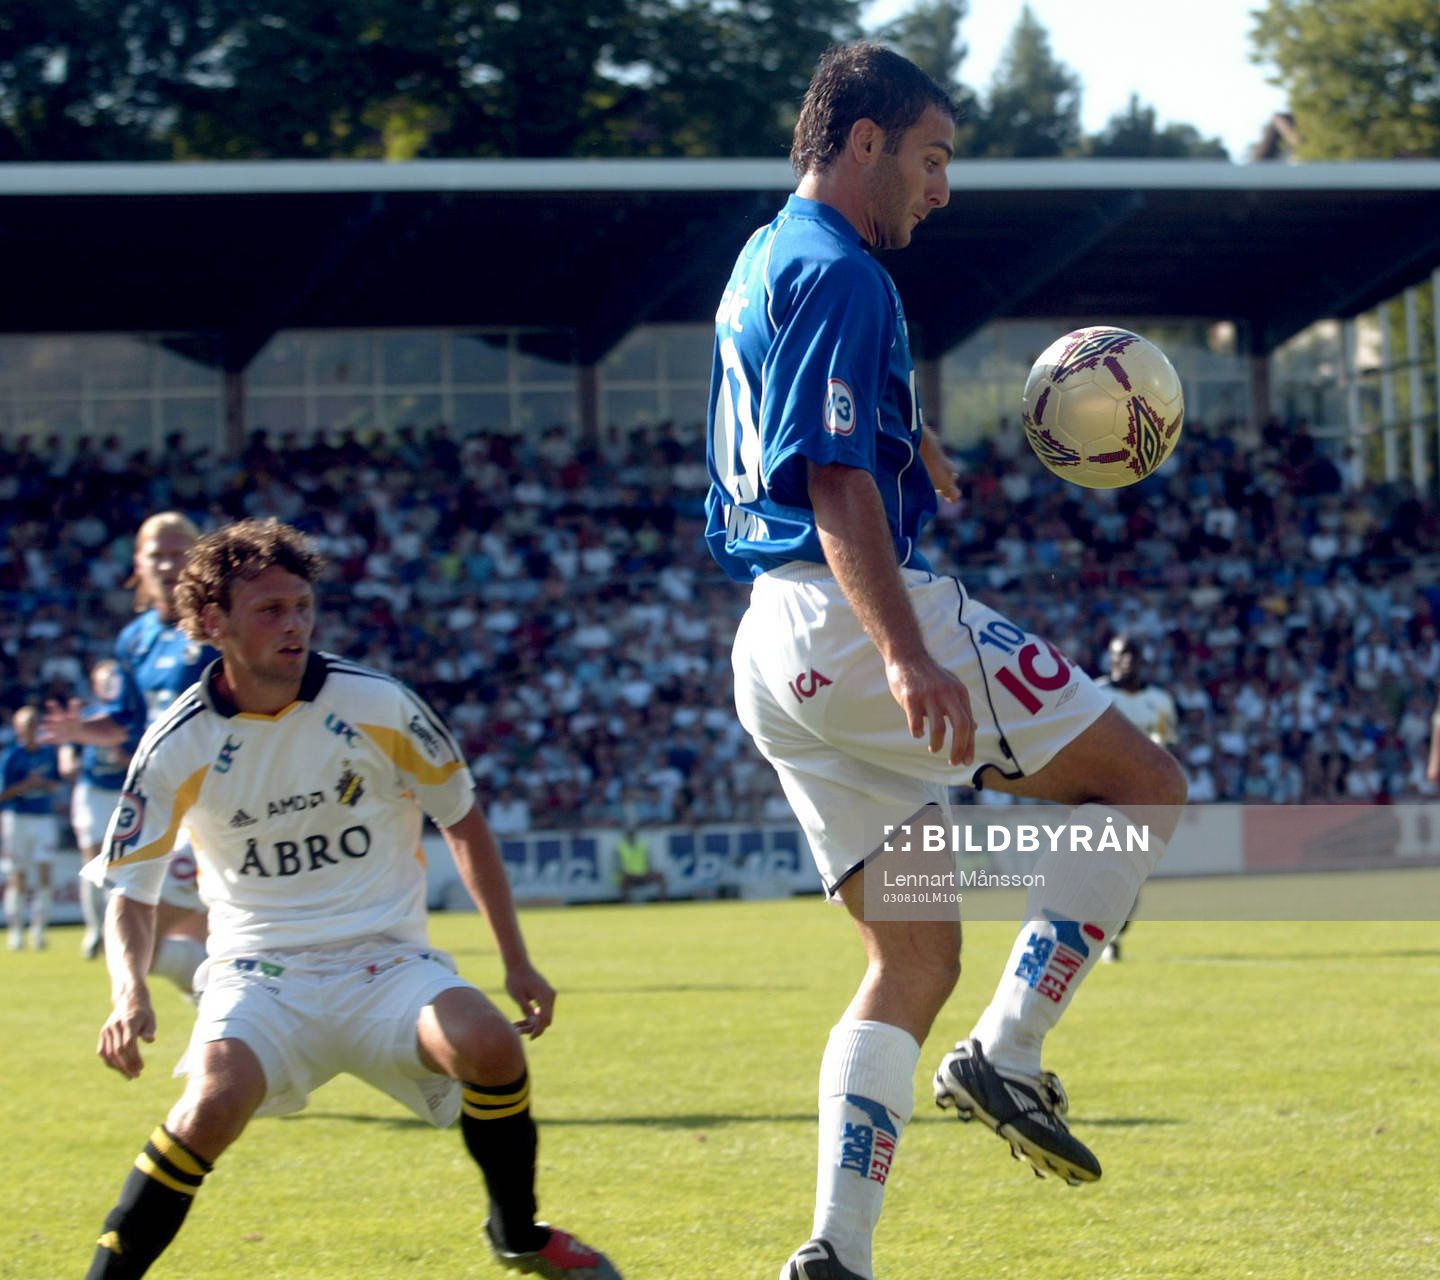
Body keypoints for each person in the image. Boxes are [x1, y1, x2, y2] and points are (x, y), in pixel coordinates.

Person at [703, 44, 1187, 1280]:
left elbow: (812, 417)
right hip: (852, 619)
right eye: (933, 156)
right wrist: (908, 649)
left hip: (769, 647)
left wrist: (908, 430)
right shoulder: (847, 273)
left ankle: (836, 1252)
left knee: (913, 955)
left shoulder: (769, 256)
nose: (943, 186)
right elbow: (829, 476)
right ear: (862, 141)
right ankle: (1008, 1055)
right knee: (1143, 786)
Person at [81, 517, 620, 1280]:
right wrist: (127, 991)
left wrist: (517, 962)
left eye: (302, 605)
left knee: (491, 1046)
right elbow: (130, 887)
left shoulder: (379, 704)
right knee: (210, 1105)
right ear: (211, 624)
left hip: (388, 966)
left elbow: (461, 819)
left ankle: (518, 1233)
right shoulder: (177, 743)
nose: (294, 624)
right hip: (260, 973)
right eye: (270, 610)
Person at [44, 512, 216, 992]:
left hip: (222, 804)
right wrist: (81, 729)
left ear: (199, 559)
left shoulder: (220, 626)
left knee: (144, 939)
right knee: (141, 942)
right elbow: (125, 722)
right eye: (156, 554)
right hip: (167, 807)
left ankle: (238, 1027)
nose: (167, 564)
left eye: (178, 551)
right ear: (137, 565)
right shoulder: (135, 639)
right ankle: (233, 1023)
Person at [1094, 634, 1180, 960]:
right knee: (1102, 870)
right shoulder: (1096, 693)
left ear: (1143, 659)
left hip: (1141, 801)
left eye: (1133, 654)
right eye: (1120, 654)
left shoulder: (1159, 701)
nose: (1126, 660)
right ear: (1111, 659)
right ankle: (1094, 934)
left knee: (1129, 878)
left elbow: (1167, 747)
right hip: (1100, 796)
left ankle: (1112, 935)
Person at [59, 659, 145, 959]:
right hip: (92, 792)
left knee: (118, 866)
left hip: (123, 794)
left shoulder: (130, 718)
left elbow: (145, 755)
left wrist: (126, 759)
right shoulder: (88, 715)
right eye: (103, 680)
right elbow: (68, 754)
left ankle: (115, 930)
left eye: (114, 679)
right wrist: (69, 761)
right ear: (95, 685)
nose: (110, 685)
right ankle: (94, 928)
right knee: (92, 860)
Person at [1, 706, 64, 950]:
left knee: (45, 873)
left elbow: (58, 784)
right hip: (18, 819)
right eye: (25, 726)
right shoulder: (11, 756)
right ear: (17, 729)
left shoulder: (49, 753)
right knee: (18, 875)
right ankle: (16, 930)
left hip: (43, 818)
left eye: (33, 725)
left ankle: (39, 930)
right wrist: (26, 785)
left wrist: (45, 784)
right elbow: (3, 793)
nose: (29, 731)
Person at [615, 828, 668, 902]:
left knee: (661, 875)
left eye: (633, 835)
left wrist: (648, 871)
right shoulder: (620, 848)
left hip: (643, 874)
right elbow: (619, 867)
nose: (632, 837)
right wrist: (630, 873)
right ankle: (626, 903)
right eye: (630, 836)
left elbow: (649, 862)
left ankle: (663, 902)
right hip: (630, 875)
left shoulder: (643, 846)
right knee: (624, 879)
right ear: (626, 837)